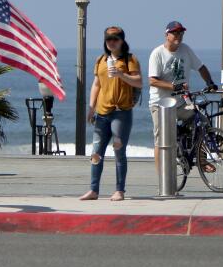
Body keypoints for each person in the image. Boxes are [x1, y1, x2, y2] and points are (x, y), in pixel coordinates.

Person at [80, 27, 142, 201]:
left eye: (115, 39)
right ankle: (93, 190)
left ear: (122, 40)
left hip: (121, 112)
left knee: (118, 150)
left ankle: (119, 190)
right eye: (108, 39)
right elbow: (97, 84)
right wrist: (91, 107)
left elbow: (139, 82)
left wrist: (121, 74)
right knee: (96, 152)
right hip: (102, 112)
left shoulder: (130, 59)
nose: (111, 42)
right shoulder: (101, 60)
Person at [148, 21, 216, 168]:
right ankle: (162, 178)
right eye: (175, 32)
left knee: (201, 120)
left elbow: (201, 67)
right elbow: (152, 81)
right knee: (161, 140)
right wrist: (173, 86)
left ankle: (201, 160)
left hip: (180, 103)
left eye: (181, 32)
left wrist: (210, 83)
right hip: (160, 104)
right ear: (167, 35)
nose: (178, 35)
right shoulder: (157, 53)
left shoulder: (186, 50)